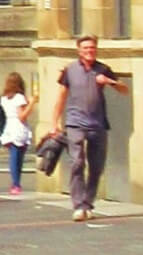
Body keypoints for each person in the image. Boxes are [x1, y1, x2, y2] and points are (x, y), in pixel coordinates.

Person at [48, 35, 128, 222]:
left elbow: (124, 90)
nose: (89, 51)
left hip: (98, 124)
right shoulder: (69, 70)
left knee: (96, 167)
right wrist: (54, 122)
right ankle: (78, 205)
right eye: (85, 48)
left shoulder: (103, 69)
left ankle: (88, 203)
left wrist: (109, 82)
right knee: (77, 162)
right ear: (79, 51)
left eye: (92, 48)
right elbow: (61, 97)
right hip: (75, 123)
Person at [0, 71, 34, 195]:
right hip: (19, 128)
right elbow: (22, 116)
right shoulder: (19, 98)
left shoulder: (4, 98)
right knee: (17, 158)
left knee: (14, 157)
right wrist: (32, 103)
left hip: (9, 126)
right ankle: (16, 183)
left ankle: (16, 183)